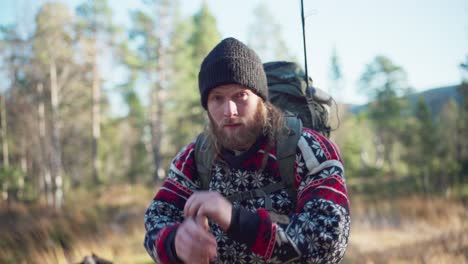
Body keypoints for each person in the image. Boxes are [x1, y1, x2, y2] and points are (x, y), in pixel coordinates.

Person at [144, 37, 350, 264]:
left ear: (261, 98)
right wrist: (176, 243)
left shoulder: (310, 150)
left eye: (240, 95)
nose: (229, 110)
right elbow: (157, 218)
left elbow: (328, 241)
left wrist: (234, 219)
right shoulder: (194, 157)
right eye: (217, 98)